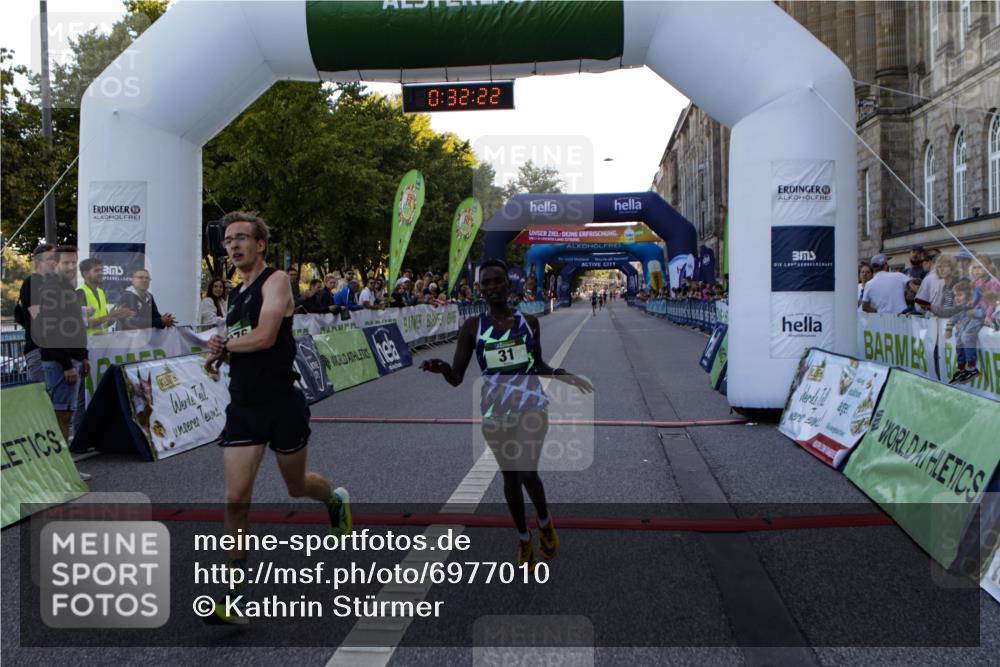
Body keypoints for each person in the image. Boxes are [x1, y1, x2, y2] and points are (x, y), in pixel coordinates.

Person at [202, 212, 351, 625]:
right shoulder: (234, 293)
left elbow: (265, 336)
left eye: (242, 239)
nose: (233, 246)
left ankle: (334, 499)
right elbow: (241, 341)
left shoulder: (278, 280)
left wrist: (228, 344)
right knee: (235, 499)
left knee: (297, 486)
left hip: (281, 404)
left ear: (260, 244)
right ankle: (233, 597)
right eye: (228, 240)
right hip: (244, 407)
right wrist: (218, 353)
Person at [421, 258, 593, 569]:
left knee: (527, 471)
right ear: (479, 289)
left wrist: (564, 375)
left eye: (497, 281)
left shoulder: (530, 323)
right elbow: (458, 378)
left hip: (531, 405)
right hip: (494, 410)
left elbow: (538, 364)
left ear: (509, 284)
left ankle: (544, 524)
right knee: (510, 478)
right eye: (486, 283)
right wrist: (444, 369)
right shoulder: (473, 328)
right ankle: (524, 539)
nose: (492, 287)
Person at [35, 247, 90, 442]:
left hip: (71, 359)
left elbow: (75, 325)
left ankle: (65, 467)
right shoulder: (52, 289)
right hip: (60, 363)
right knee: (61, 415)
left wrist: (84, 355)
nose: (71, 266)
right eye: (66, 262)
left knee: (67, 413)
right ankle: (61, 468)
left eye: (74, 262)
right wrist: (67, 365)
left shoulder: (67, 288)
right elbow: (51, 331)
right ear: (55, 264)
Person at [16, 243, 57, 383]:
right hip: (38, 350)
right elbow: (38, 316)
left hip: (53, 350)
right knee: (42, 398)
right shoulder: (32, 283)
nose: (54, 262)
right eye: (50, 258)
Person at [76, 257, 134, 335]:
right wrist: (109, 316)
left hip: (102, 342)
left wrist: (114, 317)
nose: (101, 273)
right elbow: (83, 324)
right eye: (96, 270)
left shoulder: (101, 292)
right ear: (85, 274)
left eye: (101, 270)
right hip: (87, 344)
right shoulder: (80, 292)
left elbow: (104, 324)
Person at [944, 280, 984, 384]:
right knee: (959, 340)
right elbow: (953, 317)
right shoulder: (960, 308)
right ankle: (961, 368)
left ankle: (972, 367)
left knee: (966, 337)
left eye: (960, 295)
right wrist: (948, 328)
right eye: (956, 295)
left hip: (972, 326)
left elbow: (983, 312)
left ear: (969, 295)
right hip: (963, 328)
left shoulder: (974, 305)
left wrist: (975, 312)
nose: (957, 298)